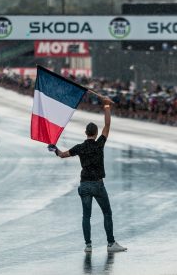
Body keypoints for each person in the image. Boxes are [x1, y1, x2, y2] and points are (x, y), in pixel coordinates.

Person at [50, 95, 127, 253]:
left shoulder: (80, 147)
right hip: (98, 185)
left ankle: (88, 245)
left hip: (84, 184)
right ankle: (111, 244)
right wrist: (106, 107)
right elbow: (107, 124)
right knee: (107, 213)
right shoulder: (100, 144)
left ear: (85, 133)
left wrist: (54, 149)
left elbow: (62, 155)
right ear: (96, 133)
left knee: (86, 216)